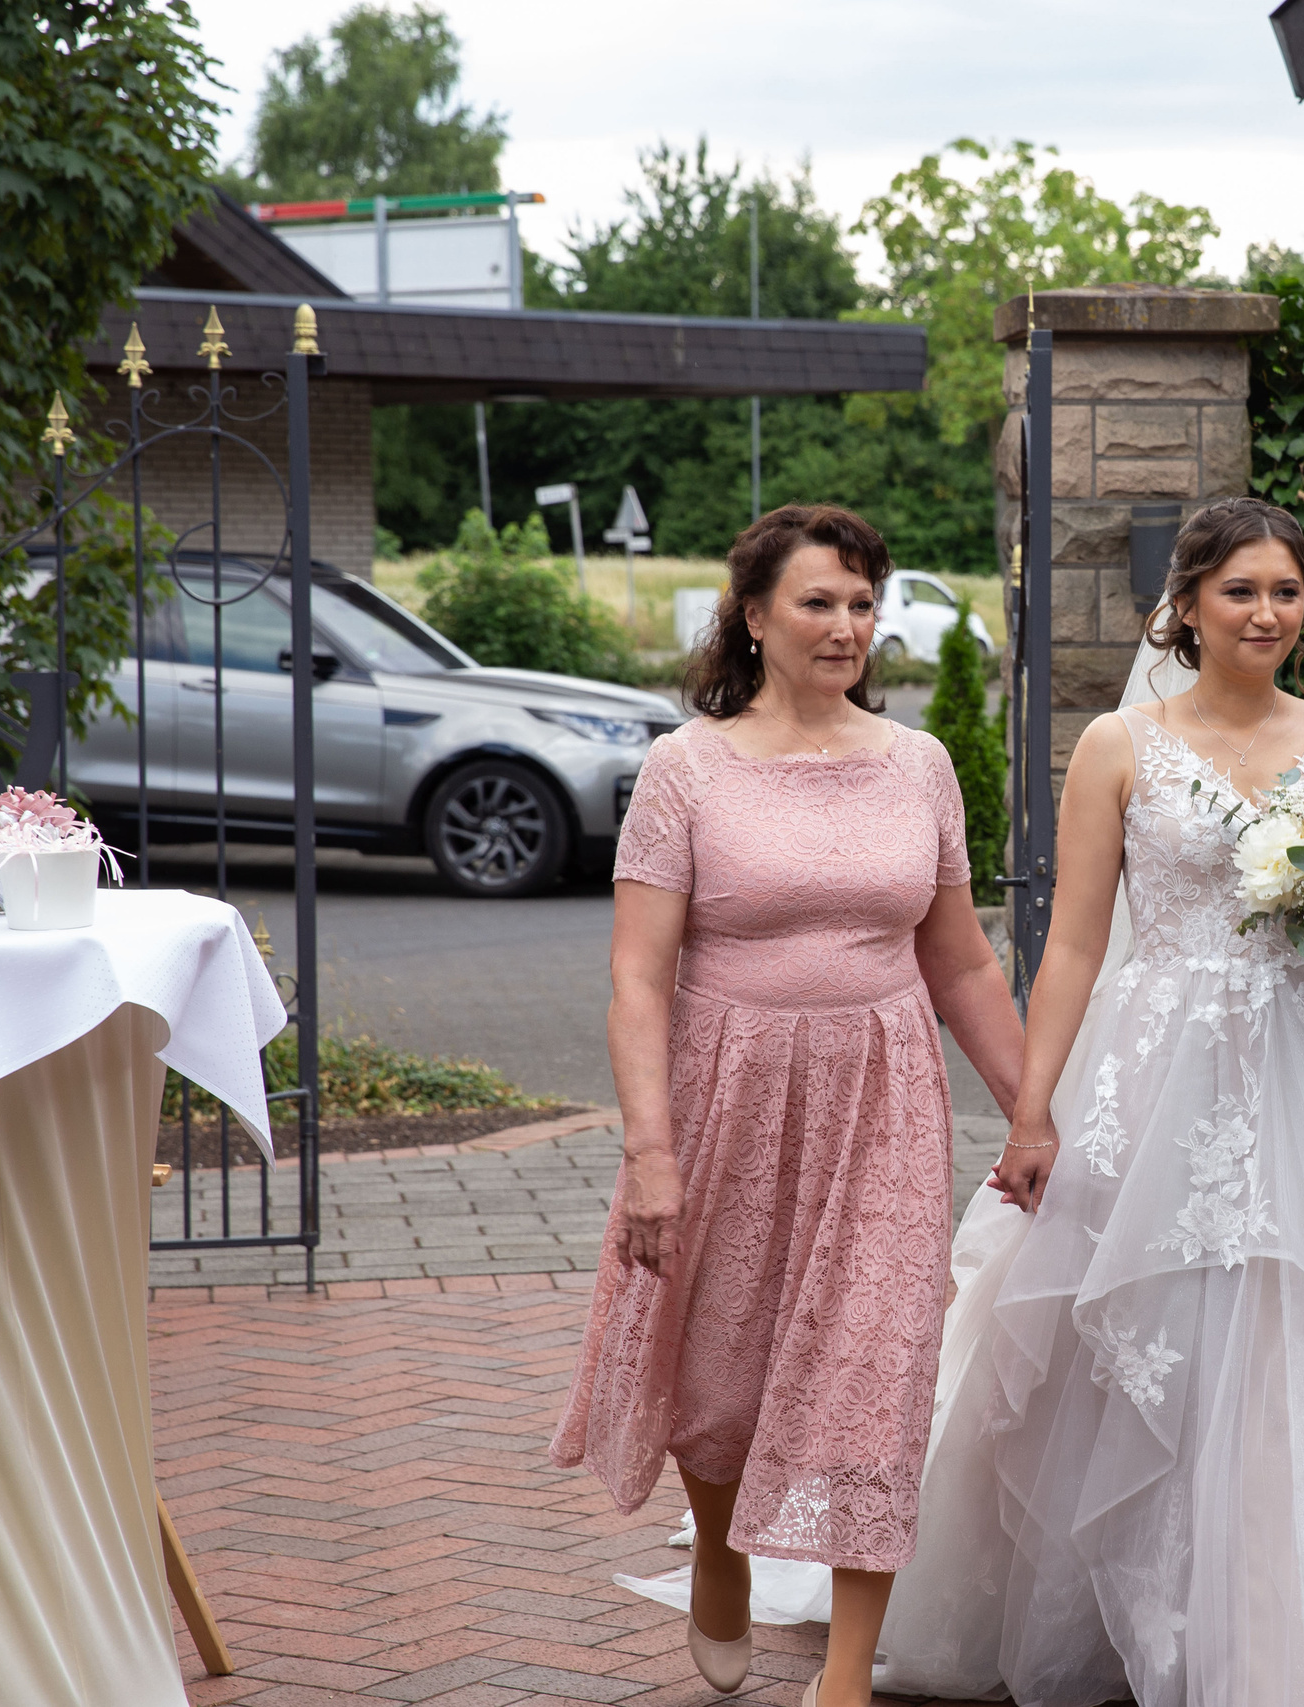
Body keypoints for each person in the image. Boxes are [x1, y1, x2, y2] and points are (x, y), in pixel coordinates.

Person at [827, 495, 1304, 1705]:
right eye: (1241, 590)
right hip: (1153, 1074)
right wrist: (1032, 1111)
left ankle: (1290, 1622)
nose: (1267, 613)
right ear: (1188, 606)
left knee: (1303, 1329)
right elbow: (1076, 949)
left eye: (1287, 592)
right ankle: (1129, 1609)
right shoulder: (1120, 746)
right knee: (1137, 1333)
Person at [549, 504, 1023, 1707]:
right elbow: (636, 977)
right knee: (720, 1379)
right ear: (753, 616)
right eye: (818, 602)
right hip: (728, 1100)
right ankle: (720, 1547)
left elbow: (961, 962)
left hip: (883, 1105)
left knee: (879, 1367)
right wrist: (649, 1153)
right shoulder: (686, 768)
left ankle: (846, 1681)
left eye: (864, 603)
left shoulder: (919, 764)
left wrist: (1032, 1112)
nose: (847, 625)